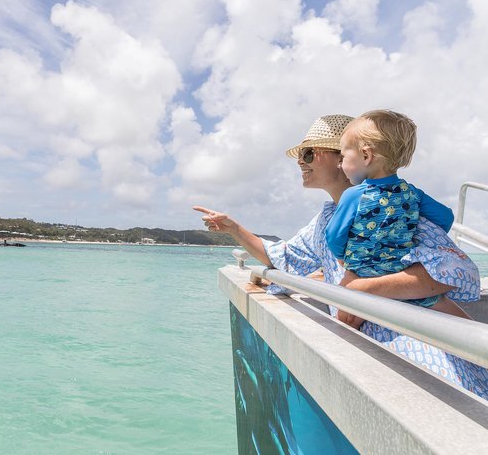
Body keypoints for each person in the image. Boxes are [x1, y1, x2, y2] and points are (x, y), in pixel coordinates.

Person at [193, 114, 487, 399]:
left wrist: (360, 291)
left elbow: (455, 270)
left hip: (416, 344)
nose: (300, 161)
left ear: (343, 158)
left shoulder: (397, 210)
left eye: (309, 154)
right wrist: (234, 229)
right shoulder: (325, 219)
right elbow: (284, 257)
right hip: (369, 348)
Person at [326, 110, 459, 329]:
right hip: (400, 276)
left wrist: (342, 258)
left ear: (366, 156)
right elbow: (445, 219)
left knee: (344, 325)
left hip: (363, 277)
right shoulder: (413, 193)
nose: (340, 164)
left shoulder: (354, 195)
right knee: (462, 323)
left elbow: (333, 237)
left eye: (343, 157)